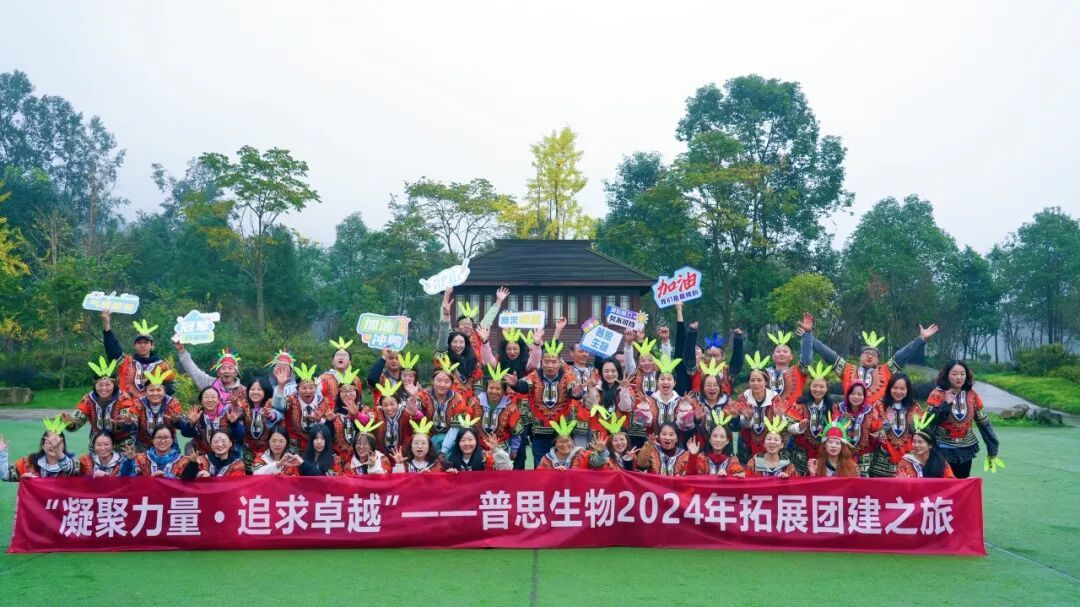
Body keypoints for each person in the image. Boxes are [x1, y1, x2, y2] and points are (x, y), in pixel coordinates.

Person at [806, 314, 938, 405]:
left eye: (873, 354)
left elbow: (903, 354)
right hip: (849, 417)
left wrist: (921, 339)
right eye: (866, 353)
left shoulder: (885, 371)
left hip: (876, 422)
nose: (869, 356)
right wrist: (808, 335)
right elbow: (828, 354)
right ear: (860, 356)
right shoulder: (847, 369)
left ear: (878, 360)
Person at [508, 339, 585, 465]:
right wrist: (516, 384)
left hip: (562, 432)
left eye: (554, 362)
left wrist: (576, 393)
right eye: (546, 361)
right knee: (540, 464)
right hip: (540, 431)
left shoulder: (568, 375)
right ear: (541, 362)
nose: (550, 365)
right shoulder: (534, 375)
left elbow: (574, 390)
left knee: (564, 463)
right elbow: (524, 386)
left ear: (560, 362)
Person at [925, 360, 1002, 478]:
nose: (959, 377)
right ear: (946, 375)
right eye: (954, 374)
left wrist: (992, 449)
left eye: (962, 374)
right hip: (941, 447)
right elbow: (929, 422)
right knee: (942, 483)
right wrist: (946, 404)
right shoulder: (936, 394)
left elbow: (984, 423)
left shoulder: (973, 395)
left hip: (965, 448)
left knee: (962, 482)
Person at [724, 353, 798, 461]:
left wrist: (779, 416)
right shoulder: (743, 397)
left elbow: (782, 424)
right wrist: (747, 418)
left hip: (770, 443)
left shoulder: (774, 398)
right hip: (747, 442)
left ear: (766, 382)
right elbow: (738, 425)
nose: (755, 383)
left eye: (759, 380)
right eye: (752, 380)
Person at [64, 356, 138, 451]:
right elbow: (77, 421)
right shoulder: (88, 399)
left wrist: (127, 423)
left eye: (108, 385)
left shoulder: (124, 398)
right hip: (98, 442)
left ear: (114, 385)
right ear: (95, 385)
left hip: (122, 443)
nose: (103, 388)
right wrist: (70, 422)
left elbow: (131, 424)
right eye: (100, 385)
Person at [101, 311, 174, 398]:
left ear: (152, 346)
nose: (142, 345)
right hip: (126, 404)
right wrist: (106, 325)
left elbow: (171, 389)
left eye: (146, 343)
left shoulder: (162, 365)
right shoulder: (126, 362)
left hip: (153, 405)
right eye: (139, 343)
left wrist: (155, 388)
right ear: (134, 346)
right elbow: (112, 348)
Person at [783, 360, 835, 476]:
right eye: (814, 386)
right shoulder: (800, 404)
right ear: (810, 387)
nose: (818, 389)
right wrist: (800, 426)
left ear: (827, 389)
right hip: (800, 452)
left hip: (822, 452)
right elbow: (789, 426)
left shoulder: (832, 407)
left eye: (821, 386)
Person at [867, 374, 924, 478]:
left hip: (907, 458)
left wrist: (913, 425)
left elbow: (921, 432)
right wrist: (885, 424)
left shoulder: (914, 407)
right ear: (889, 388)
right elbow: (871, 429)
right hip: (882, 461)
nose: (898, 391)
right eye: (895, 388)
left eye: (902, 389)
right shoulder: (879, 405)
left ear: (908, 390)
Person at [472, 365, 525, 468]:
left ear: (504, 391)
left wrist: (514, 449)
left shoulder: (511, 407)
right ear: (486, 388)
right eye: (491, 388)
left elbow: (516, 432)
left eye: (498, 388)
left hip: (501, 449)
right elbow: (468, 426)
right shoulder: (475, 402)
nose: (494, 391)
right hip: (478, 448)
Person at [0, 416, 82, 480]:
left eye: (57, 443)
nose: (53, 446)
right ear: (43, 445)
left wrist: (59, 453)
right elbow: (6, 475)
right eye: (49, 442)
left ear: (63, 445)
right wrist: (2, 453)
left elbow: (71, 471)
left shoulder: (74, 464)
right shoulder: (29, 462)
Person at [178, 386, 245, 455]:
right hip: (203, 455)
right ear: (201, 401)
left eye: (213, 397)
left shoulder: (228, 414)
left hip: (227, 455)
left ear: (218, 400)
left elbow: (241, 436)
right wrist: (192, 423)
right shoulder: (196, 414)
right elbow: (186, 434)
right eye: (206, 397)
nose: (210, 400)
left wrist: (234, 423)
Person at [130, 367, 183, 452]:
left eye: (159, 390)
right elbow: (132, 424)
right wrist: (129, 423)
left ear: (164, 391)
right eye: (151, 390)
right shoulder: (138, 403)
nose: (155, 393)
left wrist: (178, 421)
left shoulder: (173, 403)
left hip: (169, 446)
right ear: (145, 392)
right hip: (144, 447)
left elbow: (182, 425)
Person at [281, 362, 330, 452]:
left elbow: (329, 427)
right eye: (304, 388)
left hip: (317, 447)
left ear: (316, 388)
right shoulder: (290, 400)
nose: (308, 391)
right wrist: (280, 387)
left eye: (311, 388)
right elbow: (278, 407)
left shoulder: (323, 402)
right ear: (297, 389)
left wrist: (320, 420)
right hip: (294, 448)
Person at [174, 344, 246, 405]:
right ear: (218, 373)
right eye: (223, 368)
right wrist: (181, 350)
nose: (226, 371)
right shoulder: (210, 383)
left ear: (236, 372)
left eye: (230, 368)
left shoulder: (244, 391)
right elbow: (193, 371)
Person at [831, 381, 877, 475]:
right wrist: (841, 420)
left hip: (864, 455)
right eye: (852, 393)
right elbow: (831, 429)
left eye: (860, 394)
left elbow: (877, 429)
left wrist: (877, 435)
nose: (856, 397)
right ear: (848, 394)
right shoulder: (839, 409)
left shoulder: (870, 411)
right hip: (841, 453)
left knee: (862, 481)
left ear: (864, 396)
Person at [238, 375, 282, 465]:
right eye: (252, 389)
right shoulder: (244, 408)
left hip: (267, 454)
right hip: (247, 453)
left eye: (259, 389)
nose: (255, 392)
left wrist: (269, 416)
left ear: (266, 391)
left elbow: (277, 416)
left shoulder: (271, 407)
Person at [896, 413, 955, 478]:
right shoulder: (906, 462)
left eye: (920, 442)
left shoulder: (941, 462)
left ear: (930, 445)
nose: (916, 445)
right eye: (914, 442)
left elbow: (950, 480)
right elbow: (901, 482)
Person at [177, 429, 246, 478]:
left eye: (223, 441)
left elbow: (235, 485)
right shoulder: (201, 460)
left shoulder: (237, 464)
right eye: (216, 442)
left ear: (230, 443)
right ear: (211, 445)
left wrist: (210, 478)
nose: (220, 445)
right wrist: (193, 463)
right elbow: (186, 480)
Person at [318, 337, 365, 405]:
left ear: (350, 362)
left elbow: (359, 400)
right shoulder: (323, 378)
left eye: (344, 355)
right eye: (338, 355)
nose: (341, 357)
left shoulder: (355, 379)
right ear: (332, 362)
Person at [443, 427, 512, 472]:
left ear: (476, 441)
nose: (467, 443)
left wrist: (495, 450)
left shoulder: (487, 457)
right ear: (458, 442)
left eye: (470, 440)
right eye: (463, 440)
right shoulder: (450, 459)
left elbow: (507, 469)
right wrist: (450, 474)